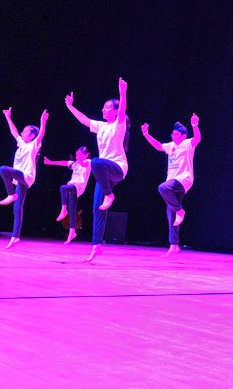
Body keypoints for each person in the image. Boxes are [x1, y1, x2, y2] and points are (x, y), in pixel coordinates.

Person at [64, 78, 130, 262]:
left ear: (115, 111)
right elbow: (84, 120)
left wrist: (122, 92)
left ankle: (109, 195)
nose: (103, 109)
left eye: (107, 107)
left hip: (117, 168)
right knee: (97, 208)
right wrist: (70, 106)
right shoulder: (100, 126)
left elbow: (123, 108)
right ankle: (97, 246)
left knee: (96, 162)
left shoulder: (119, 124)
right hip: (102, 171)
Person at [141, 115, 201, 257]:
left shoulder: (187, 144)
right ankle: (174, 245)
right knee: (170, 214)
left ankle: (180, 211)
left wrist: (195, 125)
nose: (173, 136)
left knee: (162, 188)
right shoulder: (170, 146)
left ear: (183, 135)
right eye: (172, 134)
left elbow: (198, 139)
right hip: (173, 181)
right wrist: (146, 134)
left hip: (184, 179)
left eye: (175, 134)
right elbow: (157, 145)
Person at [0, 108, 48, 249]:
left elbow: (41, 135)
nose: (21, 132)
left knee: (3, 169)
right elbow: (13, 131)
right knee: (17, 207)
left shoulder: (33, 145)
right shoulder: (21, 143)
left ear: (31, 135)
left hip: (26, 176)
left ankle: (10, 194)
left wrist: (42, 122)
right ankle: (15, 236)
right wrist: (8, 117)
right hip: (20, 179)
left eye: (25, 131)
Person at [43, 146, 92, 244]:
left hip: (79, 187)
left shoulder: (88, 162)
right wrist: (51, 162)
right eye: (76, 155)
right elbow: (64, 162)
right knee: (72, 211)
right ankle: (72, 232)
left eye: (79, 155)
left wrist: (80, 160)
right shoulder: (76, 163)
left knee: (63, 187)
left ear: (86, 155)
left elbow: (84, 163)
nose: (77, 156)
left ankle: (63, 210)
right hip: (73, 187)